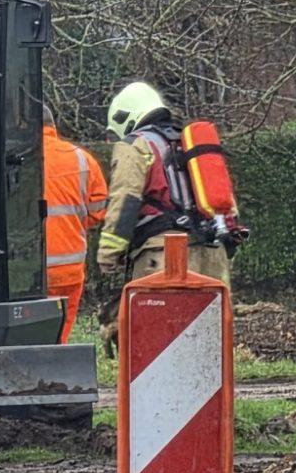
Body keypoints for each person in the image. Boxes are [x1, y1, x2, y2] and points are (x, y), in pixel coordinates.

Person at [96, 81, 233, 284]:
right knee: (212, 315)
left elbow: (125, 199)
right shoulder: (189, 143)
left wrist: (109, 252)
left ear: (124, 117)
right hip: (213, 256)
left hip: (164, 257)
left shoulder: (136, 145)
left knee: (158, 316)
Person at [41, 105, 107, 343]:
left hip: (27, 274)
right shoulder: (82, 159)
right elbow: (99, 211)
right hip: (70, 269)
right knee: (62, 333)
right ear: (53, 126)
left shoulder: (16, 158)